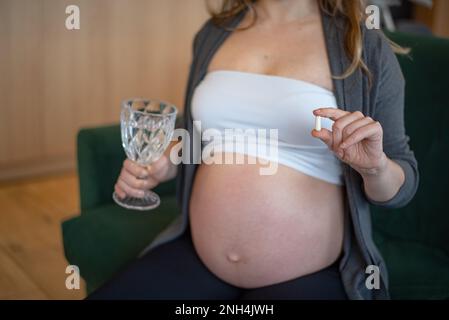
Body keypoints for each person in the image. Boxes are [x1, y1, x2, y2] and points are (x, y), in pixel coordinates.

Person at [88, 0, 418, 300]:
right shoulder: (214, 33)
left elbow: (401, 184)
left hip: (309, 275)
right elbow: (196, 135)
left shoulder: (362, 44)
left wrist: (375, 168)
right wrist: (166, 162)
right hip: (199, 259)